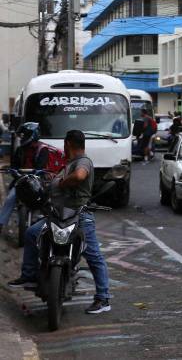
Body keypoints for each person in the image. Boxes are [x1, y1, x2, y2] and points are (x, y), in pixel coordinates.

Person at [8, 130, 111, 314]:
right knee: (32, 233)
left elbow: (79, 176)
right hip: (57, 215)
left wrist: (62, 183)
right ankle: (29, 275)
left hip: (79, 216)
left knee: (93, 256)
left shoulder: (83, 162)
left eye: (65, 144)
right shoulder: (68, 164)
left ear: (68, 144)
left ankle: (103, 298)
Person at [0, 123, 50, 232]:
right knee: (10, 198)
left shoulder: (43, 149)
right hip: (21, 180)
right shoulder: (20, 150)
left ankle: (52, 224)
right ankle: (1, 223)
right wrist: (14, 172)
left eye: (25, 134)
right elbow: (14, 165)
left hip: (37, 180)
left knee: (48, 201)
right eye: (22, 135)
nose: (23, 137)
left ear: (33, 134)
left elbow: (41, 167)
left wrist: (36, 173)